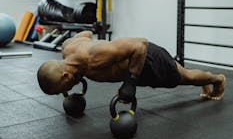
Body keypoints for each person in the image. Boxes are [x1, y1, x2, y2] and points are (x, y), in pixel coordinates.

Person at [37, 31, 226, 102]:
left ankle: (217, 79)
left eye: (63, 89)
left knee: (185, 78)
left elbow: (140, 44)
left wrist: (131, 82)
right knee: (184, 78)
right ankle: (206, 82)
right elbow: (85, 33)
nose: (66, 92)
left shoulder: (94, 57)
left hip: (148, 59)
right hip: (136, 66)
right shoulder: (67, 48)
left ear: (66, 77)